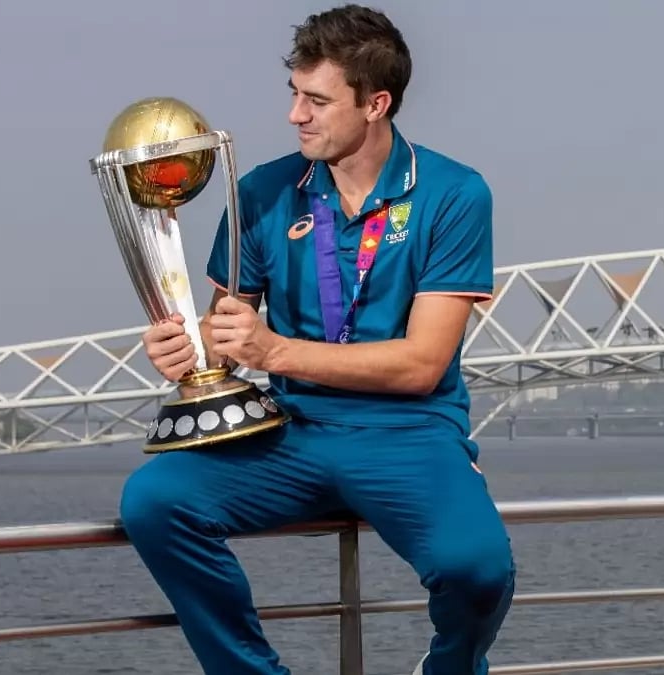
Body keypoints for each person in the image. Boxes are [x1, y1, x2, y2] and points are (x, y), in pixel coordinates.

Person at [117, 5, 516, 674]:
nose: (295, 115)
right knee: (154, 501)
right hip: (292, 431)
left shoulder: (454, 194)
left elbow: (422, 365)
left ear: (376, 103)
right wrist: (185, 352)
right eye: (294, 95)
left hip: (409, 432)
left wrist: (273, 351)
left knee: (477, 568)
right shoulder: (263, 192)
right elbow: (224, 335)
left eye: (316, 100)